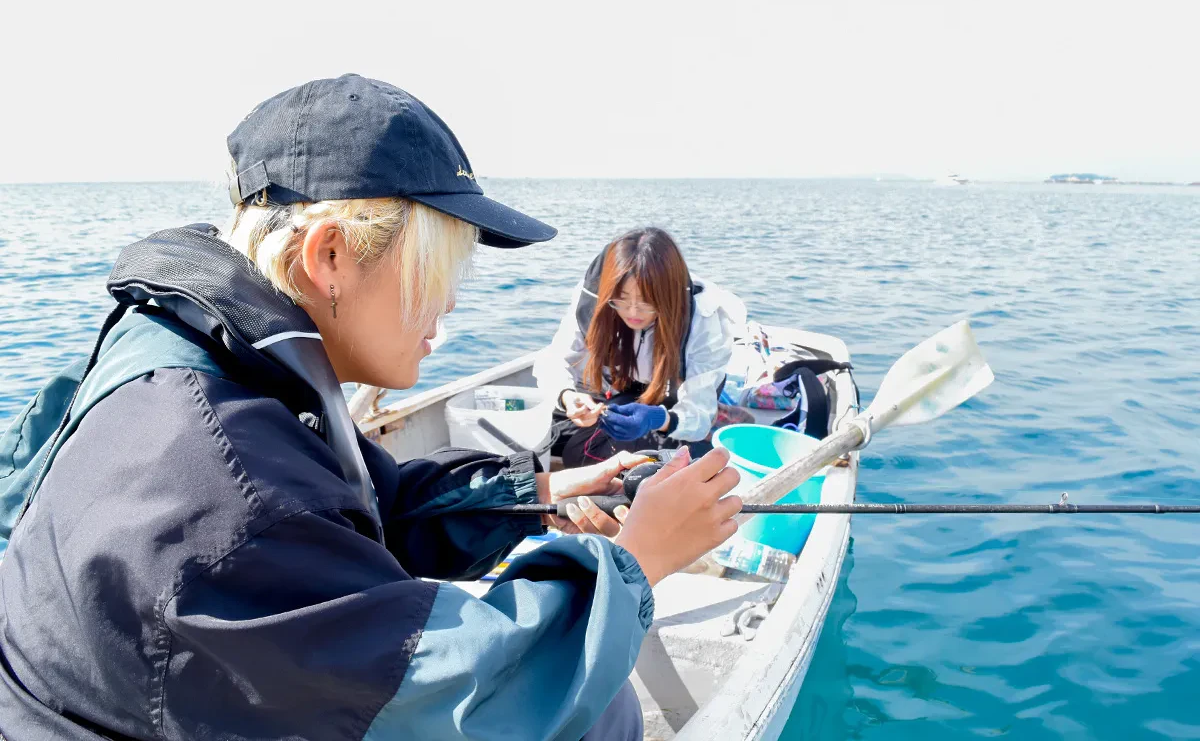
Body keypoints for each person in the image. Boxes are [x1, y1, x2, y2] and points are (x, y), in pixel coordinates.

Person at [0, 75, 743, 741]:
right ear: (329, 257)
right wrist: (636, 562)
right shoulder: (222, 495)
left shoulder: (198, 366)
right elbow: (468, 700)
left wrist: (537, 493)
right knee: (599, 709)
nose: (449, 299)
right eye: (438, 266)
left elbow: (369, 504)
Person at [534, 228, 746, 467]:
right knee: (564, 445)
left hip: (675, 394)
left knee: (664, 462)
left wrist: (659, 418)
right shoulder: (594, 298)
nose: (633, 312)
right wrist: (568, 397)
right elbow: (553, 361)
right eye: (621, 299)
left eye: (647, 301)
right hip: (622, 386)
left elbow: (699, 413)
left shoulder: (704, 319)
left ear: (669, 297)